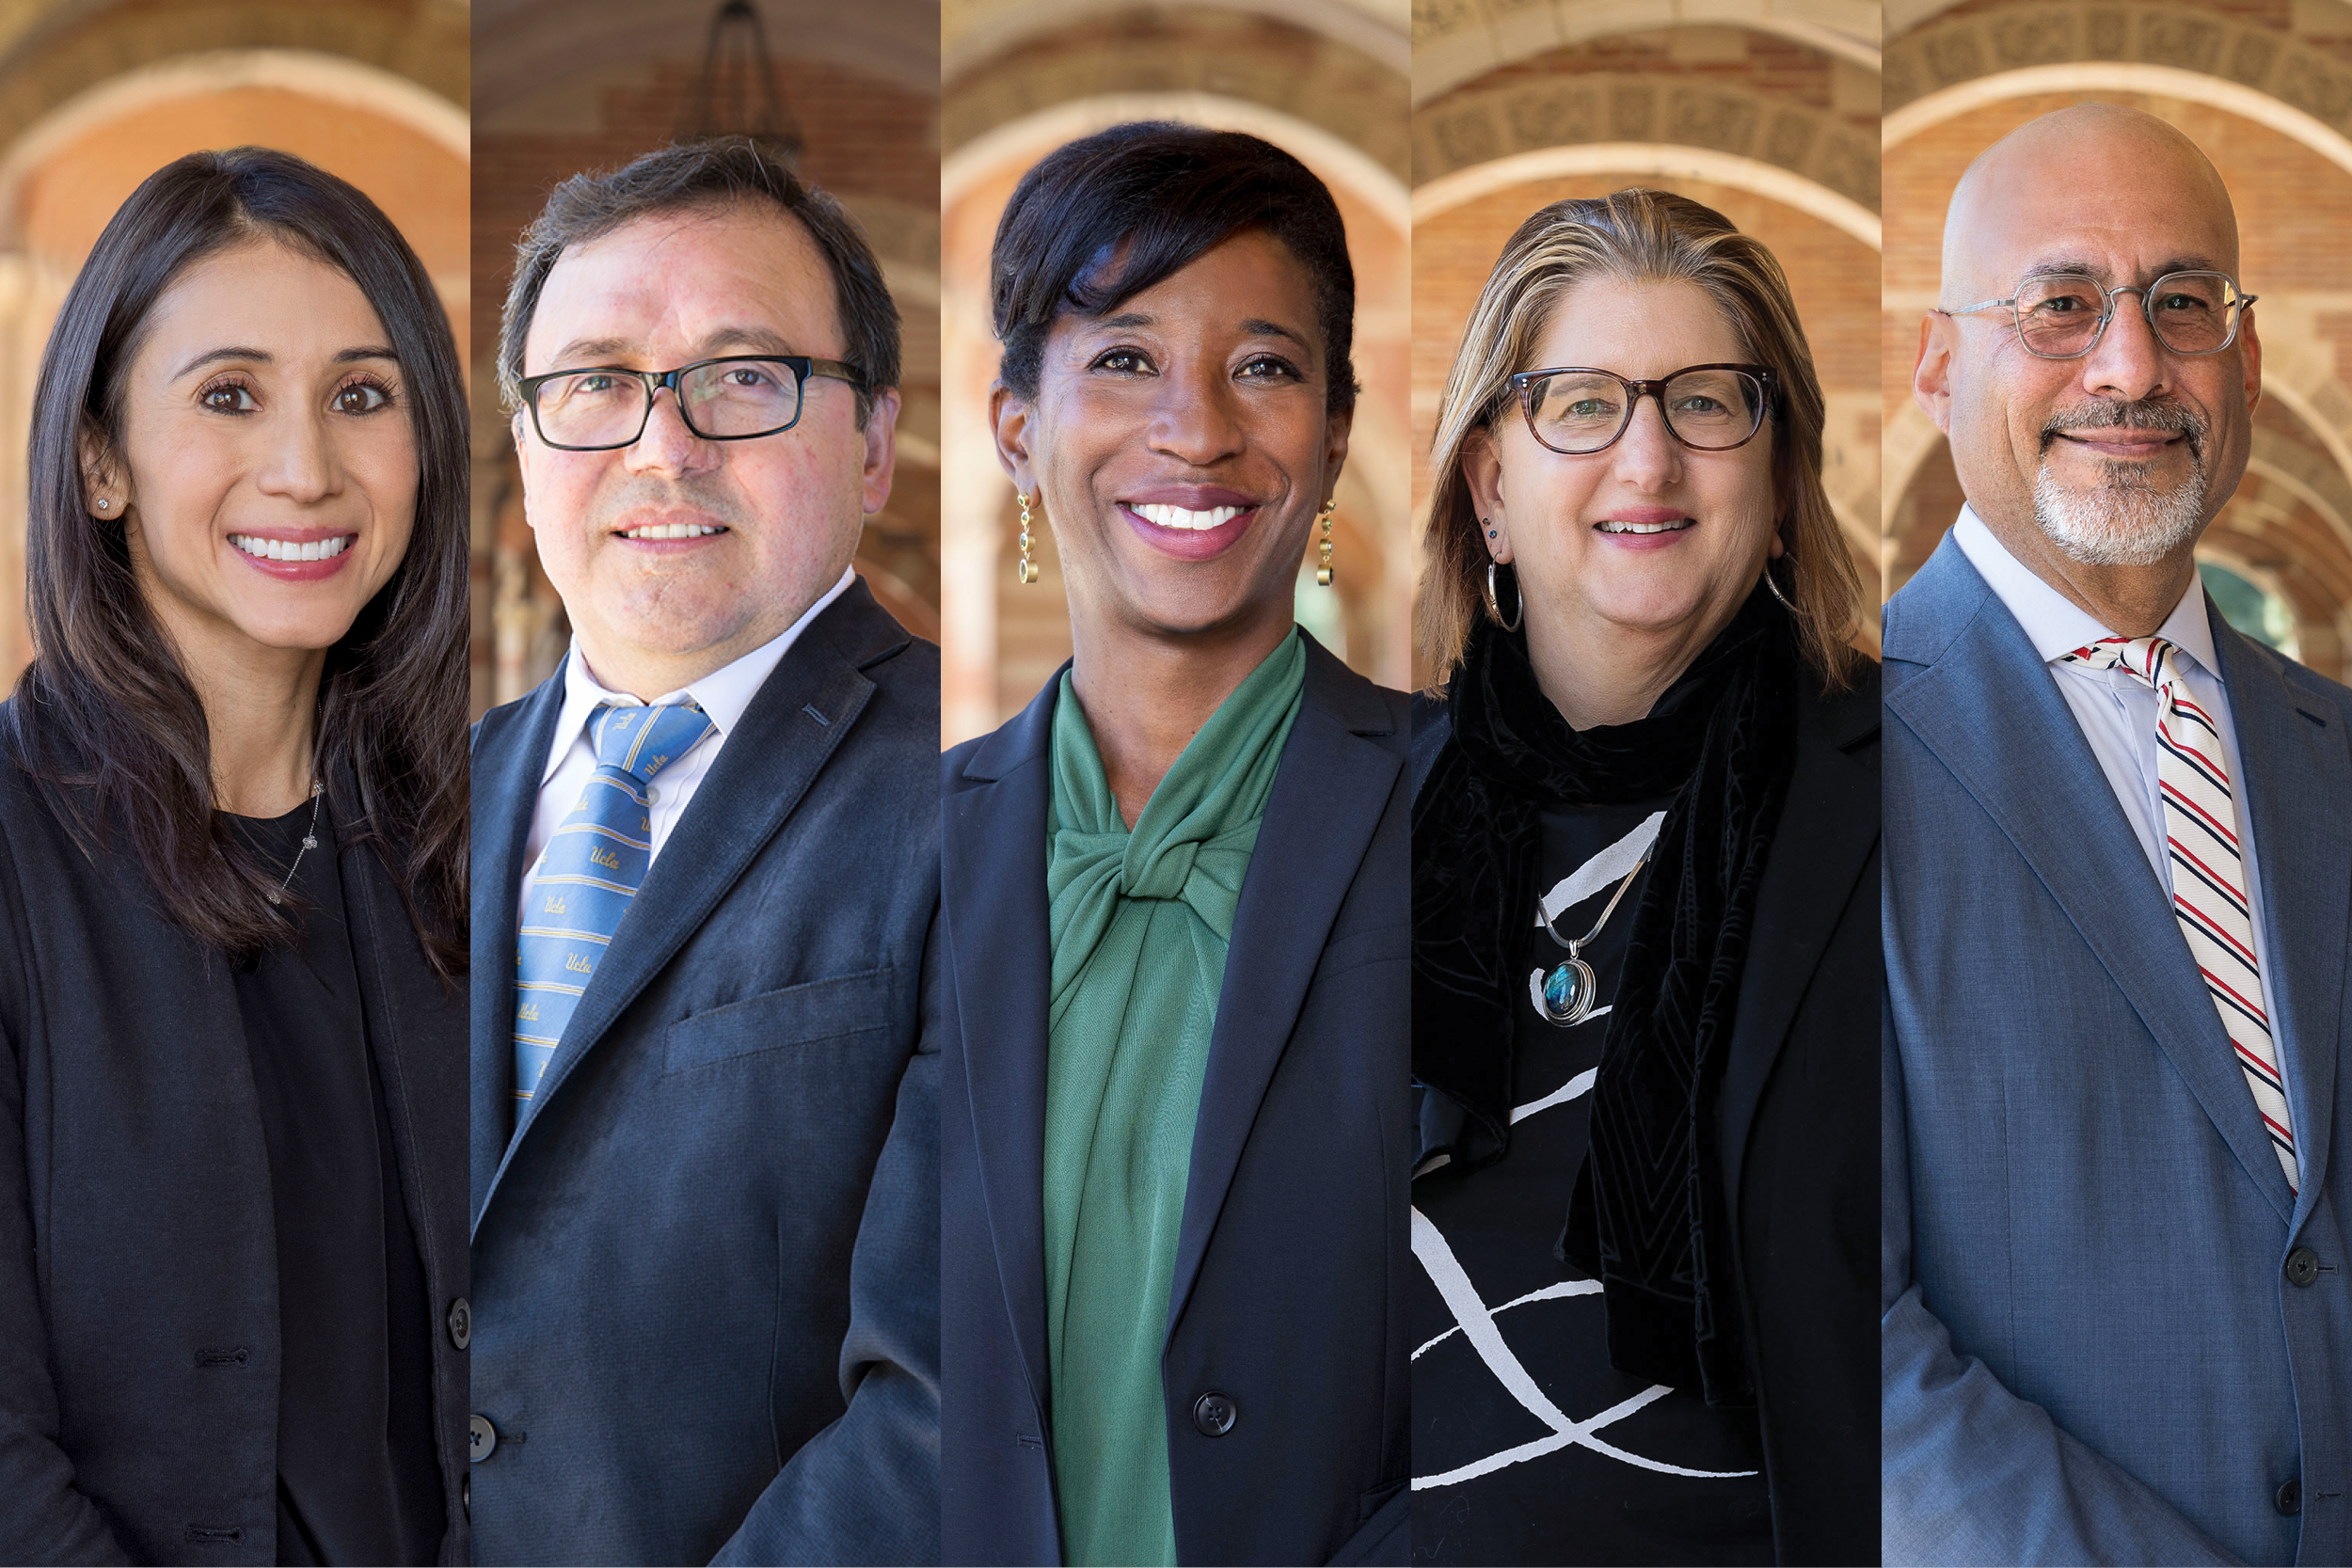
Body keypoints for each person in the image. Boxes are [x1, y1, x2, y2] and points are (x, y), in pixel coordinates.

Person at [1884, 103, 2352, 1566]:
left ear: (2250, 361)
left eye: (2184, 303)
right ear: (1941, 363)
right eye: (2062, 304)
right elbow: (1824, 1327)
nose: (2132, 365)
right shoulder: (1806, 764)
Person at [940, 122, 1410, 1567]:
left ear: (1334, 431)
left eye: (1263, 365)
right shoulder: (905, 846)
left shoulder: (1478, 812)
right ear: (1018, 425)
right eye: (1125, 359)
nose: (1197, 430)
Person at [467, 137, 938, 1565]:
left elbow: (960, 1388)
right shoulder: (402, 803)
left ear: (873, 441)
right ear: (530, 446)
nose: (662, 446)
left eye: (742, 377)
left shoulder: (998, 799)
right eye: (596, 384)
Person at [0, 148, 470, 1563]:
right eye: (228, 395)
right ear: (98, 460)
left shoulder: (476, 842)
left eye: (361, 395)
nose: (307, 469)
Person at [1409, 189, 1878, 1565]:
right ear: (1492, 485)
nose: (1650, 457)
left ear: (1784, 483)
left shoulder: (1915, 797)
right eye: (1582, 403)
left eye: (1711, 402)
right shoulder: (1348, 814)